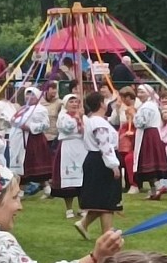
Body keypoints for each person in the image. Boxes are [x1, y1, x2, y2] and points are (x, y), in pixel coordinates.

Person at [78, 91, 123, 241]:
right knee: (107, 201)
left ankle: (84, 223)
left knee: (101, 200)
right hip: (101, 161)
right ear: (101, 104)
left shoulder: (94, 120)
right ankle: (107, 235)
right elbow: (104, 144)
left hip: (97, 159)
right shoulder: (98, 122)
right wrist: (113, 165)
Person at [10, 87, 51, 196]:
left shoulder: (40, 109)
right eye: (27, 95)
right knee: (23, 165)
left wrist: (30, 127)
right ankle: (20, 190)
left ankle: (46, 187)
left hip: (33, 140)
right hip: (20, 140)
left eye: (32, 95)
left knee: (34, 164)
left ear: (37, 97)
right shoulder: (23, 108)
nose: (29, 97)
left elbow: (45, 125)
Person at [53, 92, 86, 220]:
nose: (74, 104)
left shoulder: (82, 116)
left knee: (82, 178)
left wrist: (81, 119)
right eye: (71, 102)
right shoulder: (63, 116)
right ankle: (69, 208)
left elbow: (86, 130)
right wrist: (77, 117)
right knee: (69, 179)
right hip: (68, 147)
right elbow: (67, 128)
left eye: (76, 101)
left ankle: (82, 207)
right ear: (66, 104)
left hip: (80, 147)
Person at [130, 85, 167, 199]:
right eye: (138, 92)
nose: (139, 94)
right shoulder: (151, 105)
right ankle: (154, 190)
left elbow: (141, 123)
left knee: (149, 163)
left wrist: (133, 115)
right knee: (150, 164)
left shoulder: (147, 107)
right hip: (152, 134)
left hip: (148, 135)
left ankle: (157, 186)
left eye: (142, 92)